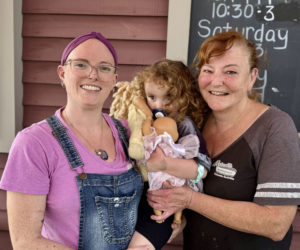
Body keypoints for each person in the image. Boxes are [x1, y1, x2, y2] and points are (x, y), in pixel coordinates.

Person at [146, 31, 300, 250]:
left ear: (252, 77)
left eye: (231, 72)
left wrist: (190, 201)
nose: (216, 81)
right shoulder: (193, 124)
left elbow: (276, 224)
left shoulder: (274, 127)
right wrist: (175, 217)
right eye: (208, 70)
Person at [0, 32, 144, 250]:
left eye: (104, 67)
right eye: (81, 65)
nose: (93, 75)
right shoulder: (34, 143)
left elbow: (159, 205)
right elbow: (25, 242)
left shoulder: (130, 134)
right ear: (62, 73)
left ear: (114, 80)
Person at [111, 59, 211, 249]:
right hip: (138, 193)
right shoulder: (142, 121)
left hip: (167, 197)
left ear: (184, 97)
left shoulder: (184, 125)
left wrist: (164, 164)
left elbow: (202, 169)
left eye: (168, 98)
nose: (159, 104)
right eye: (152, 97)